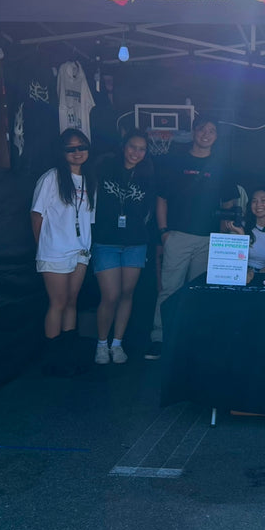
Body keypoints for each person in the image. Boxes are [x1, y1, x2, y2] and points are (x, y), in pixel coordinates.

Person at [145, 116, 237, 360]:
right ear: (194, 132)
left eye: (212, 130)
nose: (206, 134)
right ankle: (159, 338)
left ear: (216, 137)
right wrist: (164, 232)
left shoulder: (221, 166)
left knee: (199, 291)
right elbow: (161, 198)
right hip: (177, 236)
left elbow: (229, 204)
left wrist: (223, 236)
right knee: (169, 289)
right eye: (202, 129)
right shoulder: (175, 161)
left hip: (209, 240)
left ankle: (191, 338)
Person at [31, 128, 96, 376]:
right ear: (62, 152)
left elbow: (88, 217)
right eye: (71, 148)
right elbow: (36, 215)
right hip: (54, 251)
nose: (77, 152)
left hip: (79, 251)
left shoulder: (89, 178)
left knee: (71, 302)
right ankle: (53, 358)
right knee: (57, 303)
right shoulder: (51, 178)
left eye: (81, 147)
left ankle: (69, 355)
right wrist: (42, 246)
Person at [91, 129, 155, 365]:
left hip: (135, 243)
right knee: (110, 295)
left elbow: (148, 210)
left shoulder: (147, 175)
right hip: (106, 241)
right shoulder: (104, 168)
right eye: (132, 147)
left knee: (127, 294)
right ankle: (101, 343)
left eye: (141, 149)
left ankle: (117, 344)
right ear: (123, 146)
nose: (135, 152)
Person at [221, 186, 265, 280]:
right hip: (237, 274)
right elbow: (233, 261)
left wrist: (254, 276)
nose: (258, 204)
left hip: (262, 276)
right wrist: (241, 235)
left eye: (263, 200)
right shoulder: (239, 226)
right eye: (254, 201)